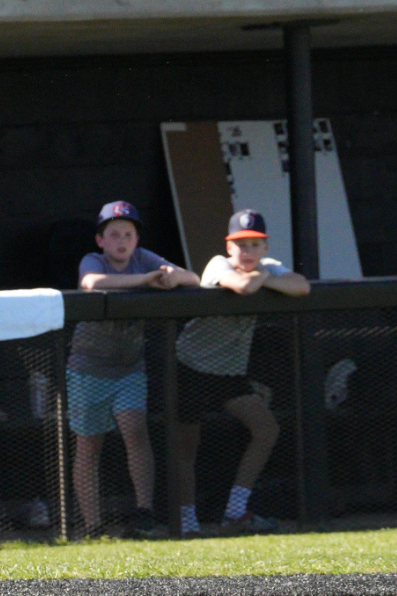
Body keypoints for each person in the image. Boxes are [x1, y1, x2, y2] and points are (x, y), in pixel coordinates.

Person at [170, 210, 309, 534]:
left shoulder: (267, 268)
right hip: (190, 367)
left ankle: (235, 511)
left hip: (230, 374)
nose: (247, 252)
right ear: (229, 247)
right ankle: (187, 521)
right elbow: (243, 287)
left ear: (265, 247)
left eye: (254, 245)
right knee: (186, 448)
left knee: (266, 429)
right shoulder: (218, 264)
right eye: (241, 245)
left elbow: (301, 286)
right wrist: (265, 281)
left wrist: (265, 278)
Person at [69, 202, 198, 538]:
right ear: (101, 240)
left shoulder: (146, 259)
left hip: (129, 367)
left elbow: (193, 278)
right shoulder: (93, 260)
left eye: (128, 234)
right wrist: (146, 281)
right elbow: (91, 283)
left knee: (135, 431)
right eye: (114, 235)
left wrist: (170, 277)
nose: (122, 241)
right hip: (88, 367)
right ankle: (93, 525)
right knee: (89, 445)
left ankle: (144, 512)